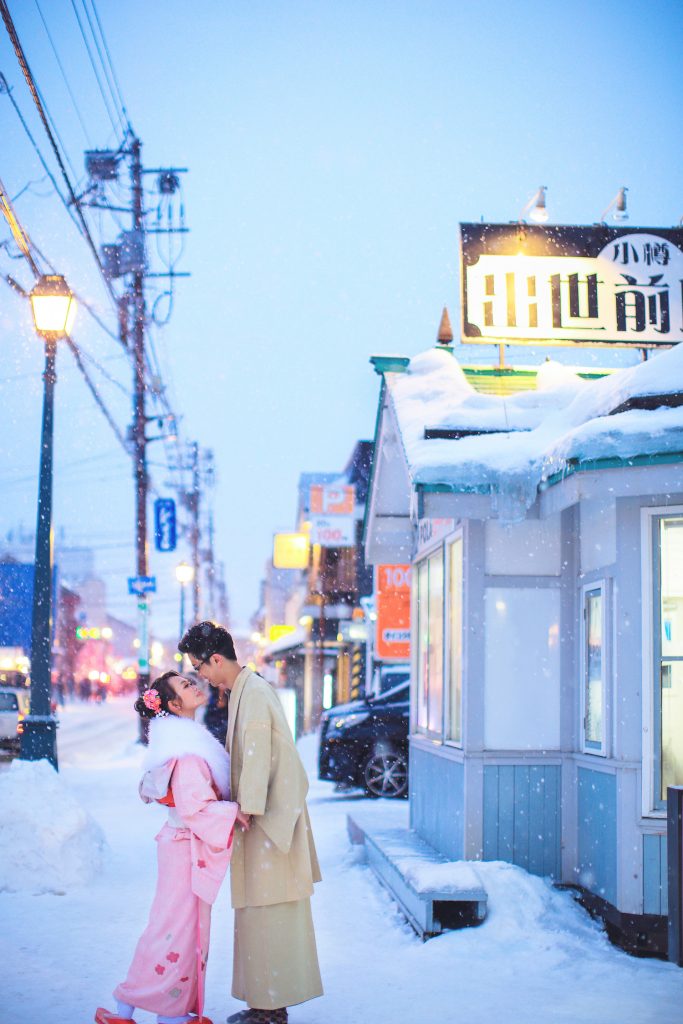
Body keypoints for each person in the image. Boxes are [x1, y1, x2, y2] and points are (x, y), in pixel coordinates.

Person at [178, 622, 323, 1024]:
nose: (201, 675)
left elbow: (258, 756)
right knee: (261, 913)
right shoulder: (246, 690)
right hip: (262, 820)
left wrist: (246, 808)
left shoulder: (253, 693)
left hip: (267, 823)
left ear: (217, 659)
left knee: (266, 913)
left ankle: (269, 1009)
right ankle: (265, 1003)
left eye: (200, 666)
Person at [95, 670, 250, 1024]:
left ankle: (131, 1006)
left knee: (166, 927)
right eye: (184, 685)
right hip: (185, 849)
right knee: (180, 931)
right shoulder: (189, 752)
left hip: (178, 845)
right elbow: (194, 808)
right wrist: (235, 812)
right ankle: (171, 1015)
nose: (194, 684)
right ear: (175, 704)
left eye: (189, 679)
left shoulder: (178, 745)